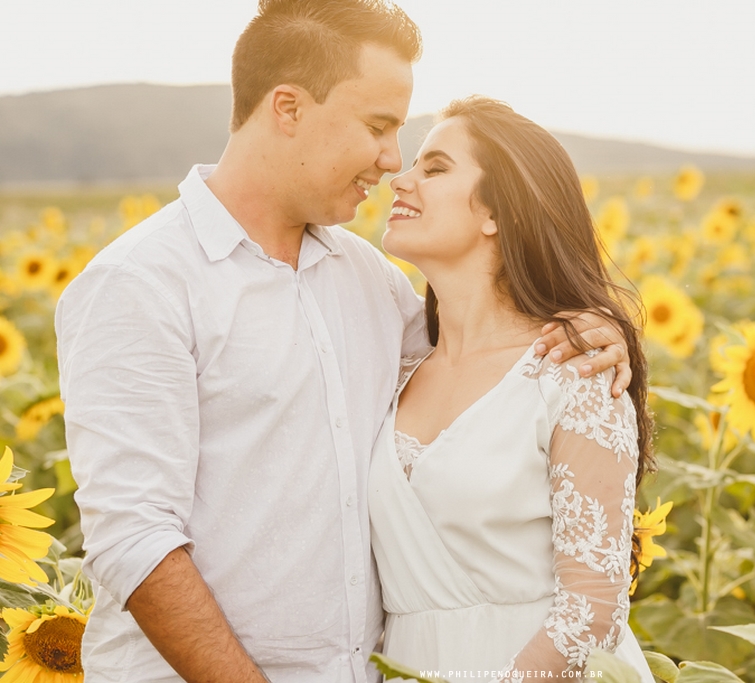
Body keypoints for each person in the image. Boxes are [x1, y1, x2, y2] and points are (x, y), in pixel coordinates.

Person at [55, 2, 630, 682]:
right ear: (289, 109)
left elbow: (496, 365)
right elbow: (135, 539)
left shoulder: (370, 283)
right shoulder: (141, 283)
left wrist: (591, 325)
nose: (392, 163)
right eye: (379, 127)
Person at [367, 96, 656, 682]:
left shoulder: (575, 372)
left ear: (497, 211)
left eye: (436, 167)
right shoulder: (393, 367)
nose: (400, 179)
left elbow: (591, 615)